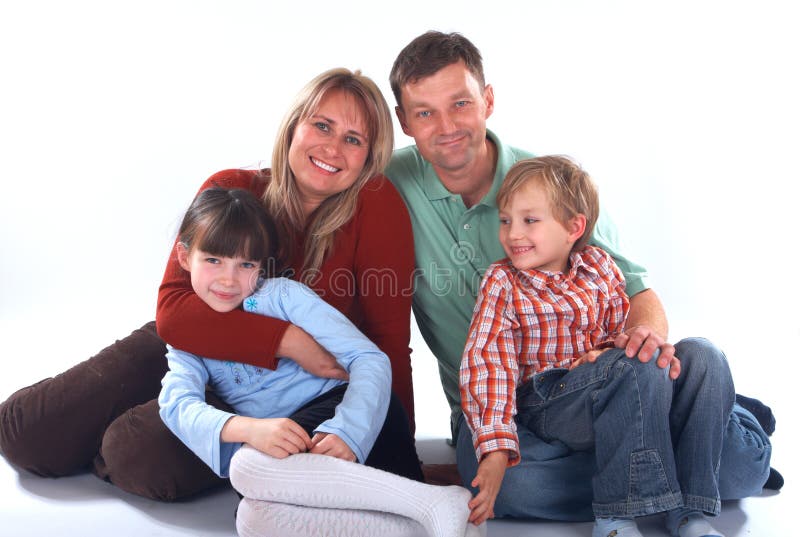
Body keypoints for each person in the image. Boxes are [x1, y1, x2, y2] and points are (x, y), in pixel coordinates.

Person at [384, 30, 774, 520]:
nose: (446, 126)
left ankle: (690, 426)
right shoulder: (387, 183)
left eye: (460, 103)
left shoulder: (547, 183)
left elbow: (634, 289)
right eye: (424, 112)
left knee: (740, 468)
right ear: (403, 121)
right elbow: (317, 176)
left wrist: (635, 350)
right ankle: (663, 465)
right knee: (511, 491)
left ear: (487, 99)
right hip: (501, 415)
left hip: (596, 387)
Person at [0, 67, 419, 502]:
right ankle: (91, 428)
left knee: (137, 456)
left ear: (369, 156)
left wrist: (400, 460)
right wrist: (286, 339)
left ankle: (110, 438)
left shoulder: (376, 206)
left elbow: (387, 342)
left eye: (353, 139)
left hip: (280, 397)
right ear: (294, 126)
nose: (332, 147)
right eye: (322, 125)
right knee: (25, 434)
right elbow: (173, 312)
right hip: (190, 344)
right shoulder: (233, 189)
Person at [162, 186, 481, 537]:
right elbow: (176, 404)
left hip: (354, 422)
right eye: (213, 260)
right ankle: (433, 519)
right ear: (183, 256)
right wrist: (249, 429)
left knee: (245, 467)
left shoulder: (282, 297)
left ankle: (428, 505)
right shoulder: (189, 338)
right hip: (296, 449)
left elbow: (369, 358)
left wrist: (348, 429)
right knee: (250, 518)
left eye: (246, 265)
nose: (228, 279)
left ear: (261, 266)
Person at [461, 155, 739, 537]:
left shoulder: (601, 267)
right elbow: (488, 361)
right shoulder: (503, 282)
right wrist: (495, 449)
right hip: (547, 402)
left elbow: (618, 334)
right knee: (634, 368)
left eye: (529, 220)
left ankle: (689, 511)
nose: (512, 234)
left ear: (573, 227)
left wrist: (613, 349)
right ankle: (615, 515)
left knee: (705, 355)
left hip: (609, 389)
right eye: (506, 220)